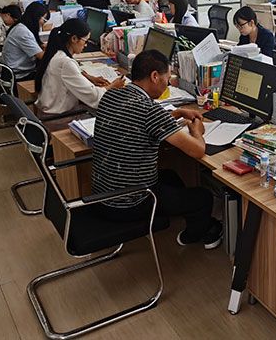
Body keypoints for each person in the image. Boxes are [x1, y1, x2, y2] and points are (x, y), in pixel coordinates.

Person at [91, 49, 222, 250]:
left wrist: (176, 113)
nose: (168, 84)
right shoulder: (149, 110)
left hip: (102, 196)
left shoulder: (112, 95)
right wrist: (197, 131)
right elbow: (197, 150)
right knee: (203, 197)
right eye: (167, 78)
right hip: (129, 203)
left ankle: (189, 216)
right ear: (154, 76)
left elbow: (137, 122)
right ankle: (192, 235)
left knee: (171, 176)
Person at [35, 18, 125, 116]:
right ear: (74, 39)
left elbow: (68, 74)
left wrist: (88, 77)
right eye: (85, 41)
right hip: (57, 116)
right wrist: (112, 86)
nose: (86, 45)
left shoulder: (57, 53)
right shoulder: (65, 62)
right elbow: (94, 96)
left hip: (49, 109)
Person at [2, 1, 48, 81]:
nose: (44, 23)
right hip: (20, 75)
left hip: (17, 70)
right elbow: (42, 56)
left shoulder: (21, 26)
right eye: (44, 19)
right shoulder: (23, 32)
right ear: (36, 17)